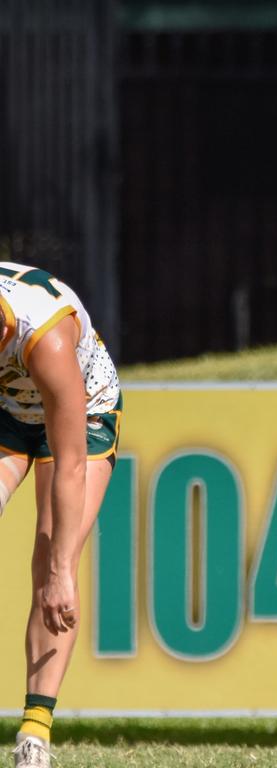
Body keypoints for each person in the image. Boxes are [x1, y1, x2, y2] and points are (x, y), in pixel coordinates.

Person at [0, 263, 122, 768]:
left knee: (53, 554)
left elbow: (71, 464)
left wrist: (59, 576)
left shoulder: (43, 336)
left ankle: (35, 734)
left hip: (80, 415)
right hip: (8, 409)